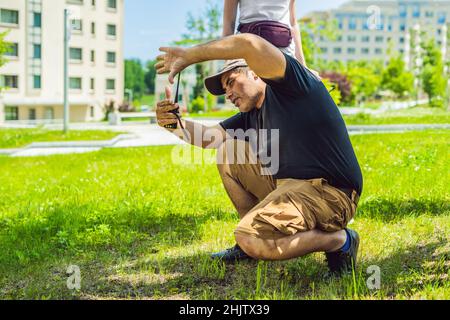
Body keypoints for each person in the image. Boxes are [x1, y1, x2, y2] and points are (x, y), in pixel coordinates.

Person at [155, 33, 363, 275]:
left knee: (251, 239)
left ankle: (340, 240)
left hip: (330, 193)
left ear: (255, 72)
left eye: (231, 82)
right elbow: (209, 138)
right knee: (228, 151)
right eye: (224, 90)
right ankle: (251, 237)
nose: (228, 94)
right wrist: (172, 125)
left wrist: (189, 55)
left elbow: (249, 44)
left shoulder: (290, 85)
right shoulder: (251, 113)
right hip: (289, 188)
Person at [223, 0, 307, 66]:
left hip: (286, 54)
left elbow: (293, 23)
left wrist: (303, 65)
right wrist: (228, 62)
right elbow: (229, 24)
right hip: (248, 55)